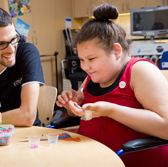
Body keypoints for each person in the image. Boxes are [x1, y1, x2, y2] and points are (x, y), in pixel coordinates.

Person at [56, 4, 168, 167]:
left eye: (91, 59)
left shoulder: (140, 70)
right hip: (93, 160)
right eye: (81, 59)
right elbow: (85, 115)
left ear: (116, 51)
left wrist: (111, 110)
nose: (85, 67)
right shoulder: (93, 75)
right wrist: (72, 106)